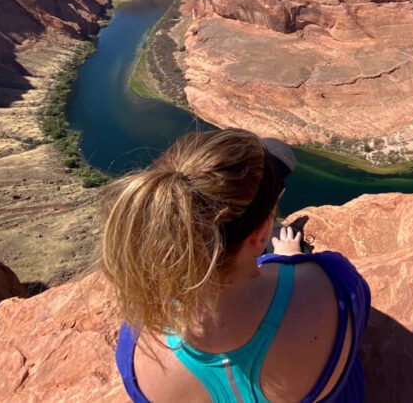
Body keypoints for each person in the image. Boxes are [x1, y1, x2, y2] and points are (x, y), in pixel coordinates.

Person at [100, 129, 371, 402]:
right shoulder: (334, 284)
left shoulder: (137, 352)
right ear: (261, 233)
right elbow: (357, 324)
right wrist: (290, 261)